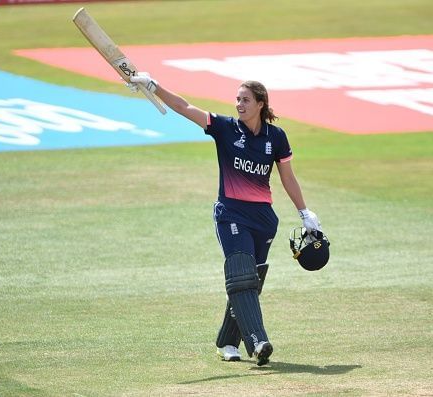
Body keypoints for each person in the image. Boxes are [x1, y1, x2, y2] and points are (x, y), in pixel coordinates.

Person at [127, 73, 322, 366]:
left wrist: (304, 212)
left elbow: (288, 177)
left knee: (249, 281)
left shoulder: (276, 138)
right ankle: (258, 342)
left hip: (264, 219)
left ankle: (227, 342)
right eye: (237, 99)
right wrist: (152, 85)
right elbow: (184, 106)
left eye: (245, 100)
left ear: (260, 104)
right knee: (242, 274)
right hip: (231, 214)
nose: (238, 104)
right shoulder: (225, 128)